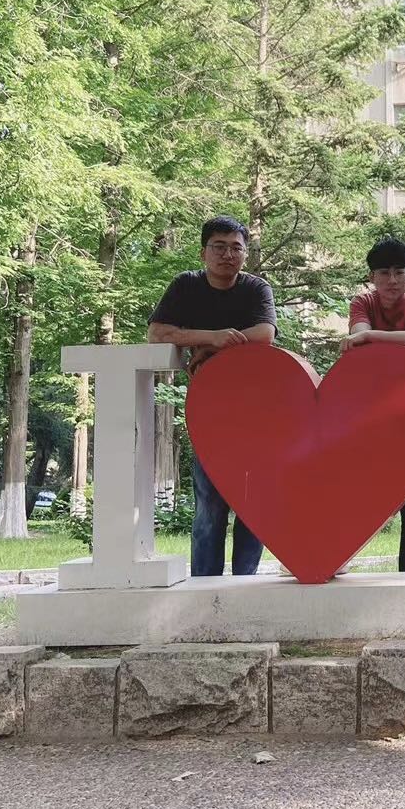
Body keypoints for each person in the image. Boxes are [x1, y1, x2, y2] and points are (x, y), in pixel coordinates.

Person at [148, 215, 277, 577]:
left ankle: (245, 581)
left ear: (245, 254)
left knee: (253, 502)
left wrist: (210, 349)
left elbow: (265, 334)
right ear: (203, 252)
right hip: (210, 409)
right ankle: (205, 584)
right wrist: (212, 337)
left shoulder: (256, 289)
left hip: (258, 408)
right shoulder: (186, 285)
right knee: (209, 502)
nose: (227, 255)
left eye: (236, 248)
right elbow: (157, 334)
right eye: (218, 247)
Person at [342, 236, 405, 571]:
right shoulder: (363, 302)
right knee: (359, 496)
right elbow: (362, 347)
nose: (392, 280)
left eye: (400, 272)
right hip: (374, 417)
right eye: (384, 272)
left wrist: (371, 336)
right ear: (372, 277)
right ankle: (334, 558)